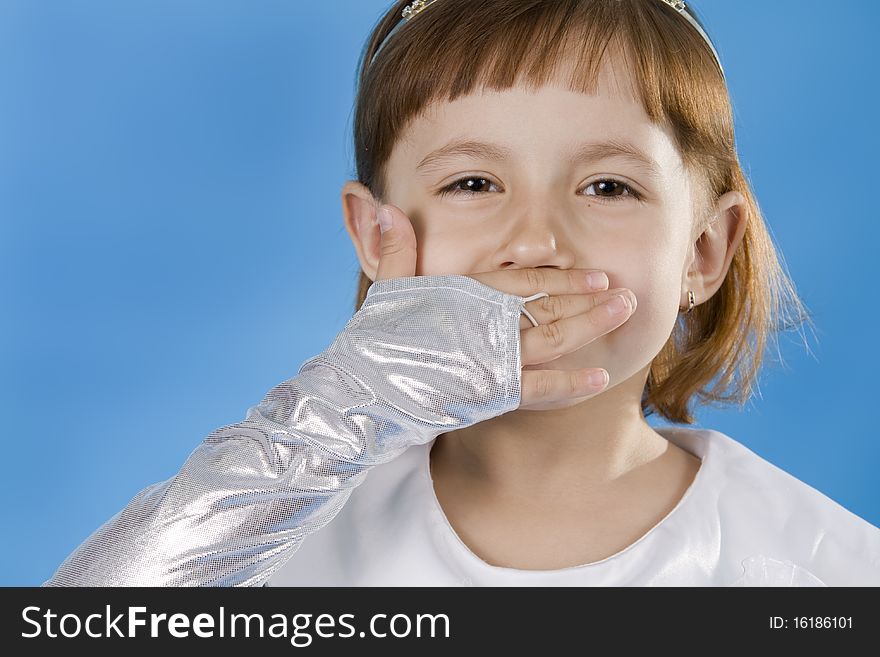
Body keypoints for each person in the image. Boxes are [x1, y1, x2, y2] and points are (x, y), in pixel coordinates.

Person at [43, 0, 880, 587]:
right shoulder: (268, 531)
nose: (537, 239)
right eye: (475, 182)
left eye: (609, 187)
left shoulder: (827, 568)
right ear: (378, 240)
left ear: (704, 250)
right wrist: (344, 404)